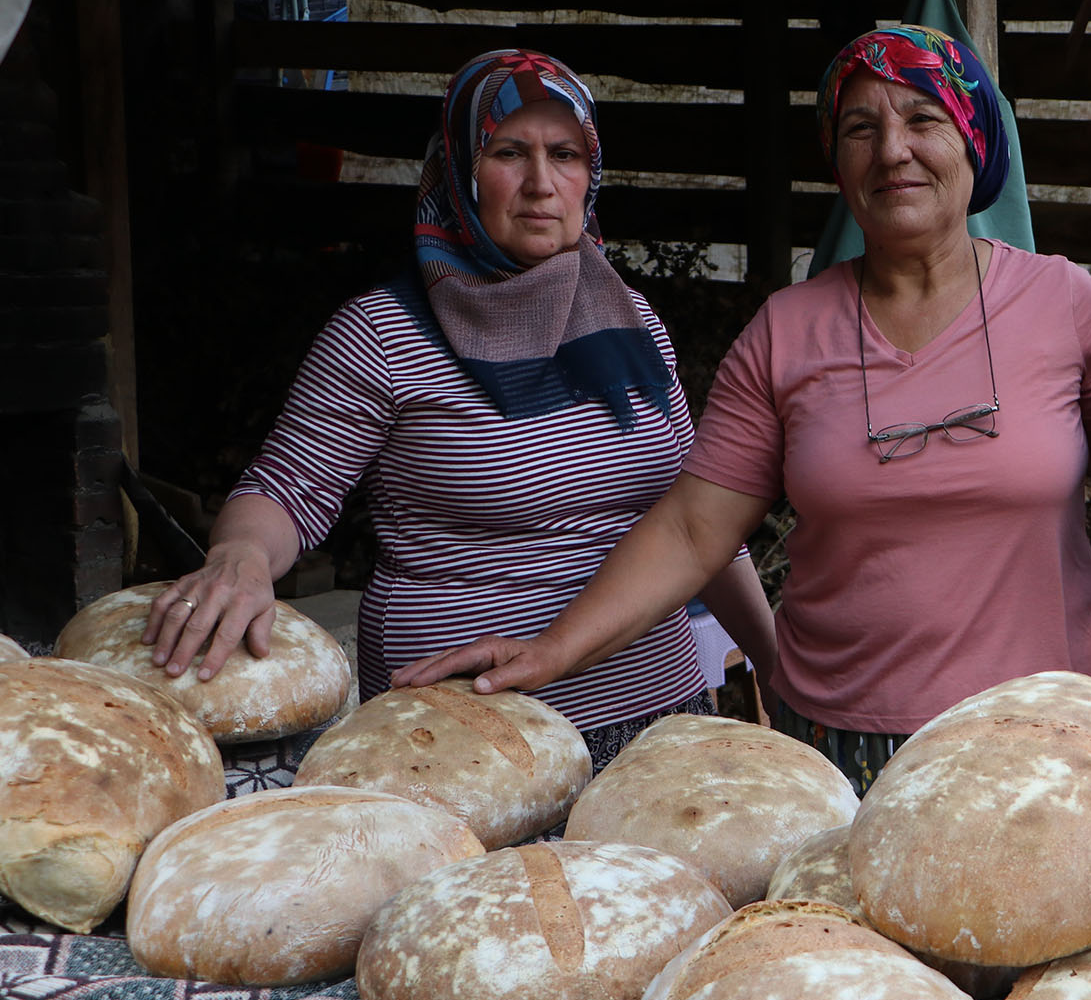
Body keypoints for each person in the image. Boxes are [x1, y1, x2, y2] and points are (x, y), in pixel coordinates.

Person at [396, 26, 1091, 793]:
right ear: (838, 160)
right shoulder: (788, 330)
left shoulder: (1068, 307)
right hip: (844, 747)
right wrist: (551, 650)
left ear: (975, 139)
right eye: (861, 128)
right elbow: (694, 528)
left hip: (1052, 735)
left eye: (924, 120)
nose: (892, 151)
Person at [143, 49, 778, 771]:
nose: (542, 183)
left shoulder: (632, 323)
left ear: (590, 175)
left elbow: (704, 521)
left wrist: (777, 662)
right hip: (467, 741)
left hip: (656, 723)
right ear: (458, 168)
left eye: (564, 154)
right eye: (509, 151)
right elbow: (285, 488)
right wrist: (241, 557)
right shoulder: (382, 335)